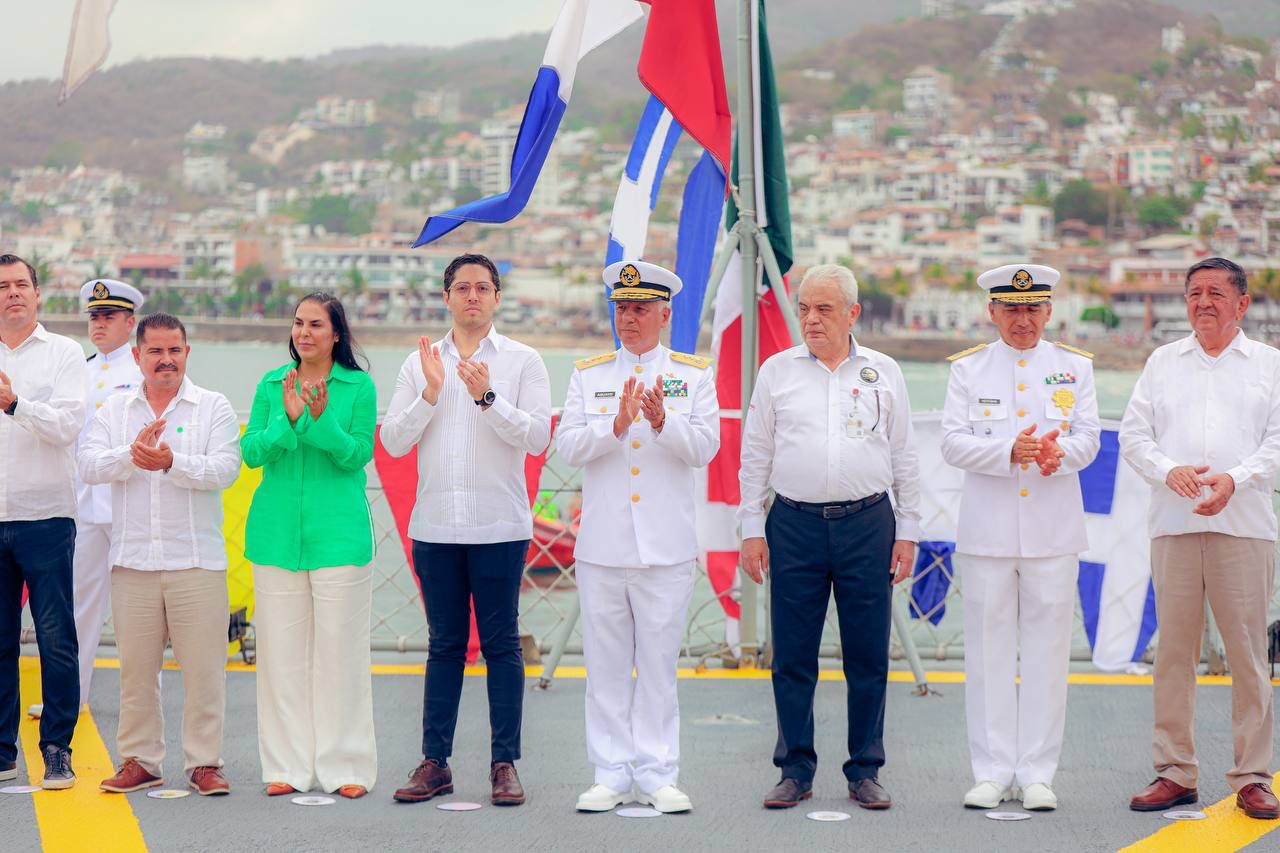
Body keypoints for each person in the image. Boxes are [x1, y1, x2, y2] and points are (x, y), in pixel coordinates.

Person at [738, 263, 920, 811]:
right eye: (804, 308)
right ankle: (795, 768)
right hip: (792, 525)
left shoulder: (884, 372)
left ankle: (865, 769)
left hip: (868, 523)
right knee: (792, 654)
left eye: (824, 309)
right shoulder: (776, 372)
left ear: (852, 314)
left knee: (867, 654)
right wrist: (751, 528)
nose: (811, 319)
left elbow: (905, 456)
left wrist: (908, 530)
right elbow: (755, 457)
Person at [382, 253, 551, 806]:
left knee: (502, 644)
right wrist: (432, 393)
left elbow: (536, 438)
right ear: (447, 297)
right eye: (462, 287)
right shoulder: (419, 365)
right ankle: (436, 761)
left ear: (497, 298)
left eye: (482, 287)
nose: (472, 296)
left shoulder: (524, 362)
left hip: (500, 525)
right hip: (436, 526)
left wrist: (487, 397)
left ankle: (505, 764)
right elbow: (394, 443)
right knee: (444, 645)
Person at [1119, 257, 1280, 820]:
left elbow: (1278, 443)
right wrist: (1170, 470)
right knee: (1173, 656)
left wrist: (1237, 479)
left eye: (1216, 292)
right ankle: (1175, 771)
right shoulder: (1163, 362)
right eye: (1194, 293)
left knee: (1248, 656)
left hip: (1244, 526)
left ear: (1242, 302)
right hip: (1176, 523)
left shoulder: (1269, 365)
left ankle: (1253, 776)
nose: (1203, 302)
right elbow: (1135, 436)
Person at [555, 260, 719, 814]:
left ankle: (657, 771)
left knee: (657, 667)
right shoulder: (590, 373)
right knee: (603, 667)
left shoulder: (694, 375)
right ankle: (610, 771)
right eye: (622, 307)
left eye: (640, 308)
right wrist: (617, 427)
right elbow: (568, 447)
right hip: (603, 545)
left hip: (665, 546)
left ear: (665, 315)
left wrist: (661, 422)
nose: (629, 317)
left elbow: (705, 449)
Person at [940, 263, 1100, 812]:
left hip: (1053, 532)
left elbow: (1090, 440)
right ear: (992, 312)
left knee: (1048, 655)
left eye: (1033, 308)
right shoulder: (970, 370)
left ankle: (1037, 772)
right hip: (987, 534)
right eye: (1011, 308)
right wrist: (1008, 450)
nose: (1023, 319)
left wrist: (1059, 456)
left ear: (1049, 310)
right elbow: (953, 444)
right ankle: (989, 770)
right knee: (986, 653)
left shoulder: (1074, 368)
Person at [79, 313, 240, 796]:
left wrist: (172, 461)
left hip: (197, 561)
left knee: (205, 670)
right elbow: (87, 465)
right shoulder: (114, 410)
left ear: (187, 352)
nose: (165, 360)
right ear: (137, 356)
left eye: (174, 350)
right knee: (136, 671)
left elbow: (226, 469)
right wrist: (132, 455)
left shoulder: (213, 406)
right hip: (133, 562)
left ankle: (204, 762)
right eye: (155, 351)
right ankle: (141, 760)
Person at [241, 292, 377, 799]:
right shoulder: (272, 385)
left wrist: (319, 422)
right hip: (276, 537)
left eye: (316, 324)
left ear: (336, 333)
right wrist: (288, 419)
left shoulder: (358, 386)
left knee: (339, 654)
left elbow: (356, 455)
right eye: (298, 323)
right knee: (280, 657)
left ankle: (347, 767)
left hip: (339, 538)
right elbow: (252, 452)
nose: (304, 333)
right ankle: (287, 766)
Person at [0, 253, 87, 789]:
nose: (11, 293)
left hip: (47, 516)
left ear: (38, 294)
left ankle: (57, 747)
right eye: (2, 286)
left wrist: (15, 404)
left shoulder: (64, 353)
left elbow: (69, 426)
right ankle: (1, 750)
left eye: (20, 285)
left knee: (56, 639)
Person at [72, 279, 144, 714]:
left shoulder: (141, 373)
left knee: (136, 609)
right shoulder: (78, 370)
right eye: (94, 316)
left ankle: (141, 700)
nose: (99, 324)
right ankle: (70, 695)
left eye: (109, 316)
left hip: (127, 501)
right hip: (82, 503)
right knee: (79, 602)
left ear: (130, 322)